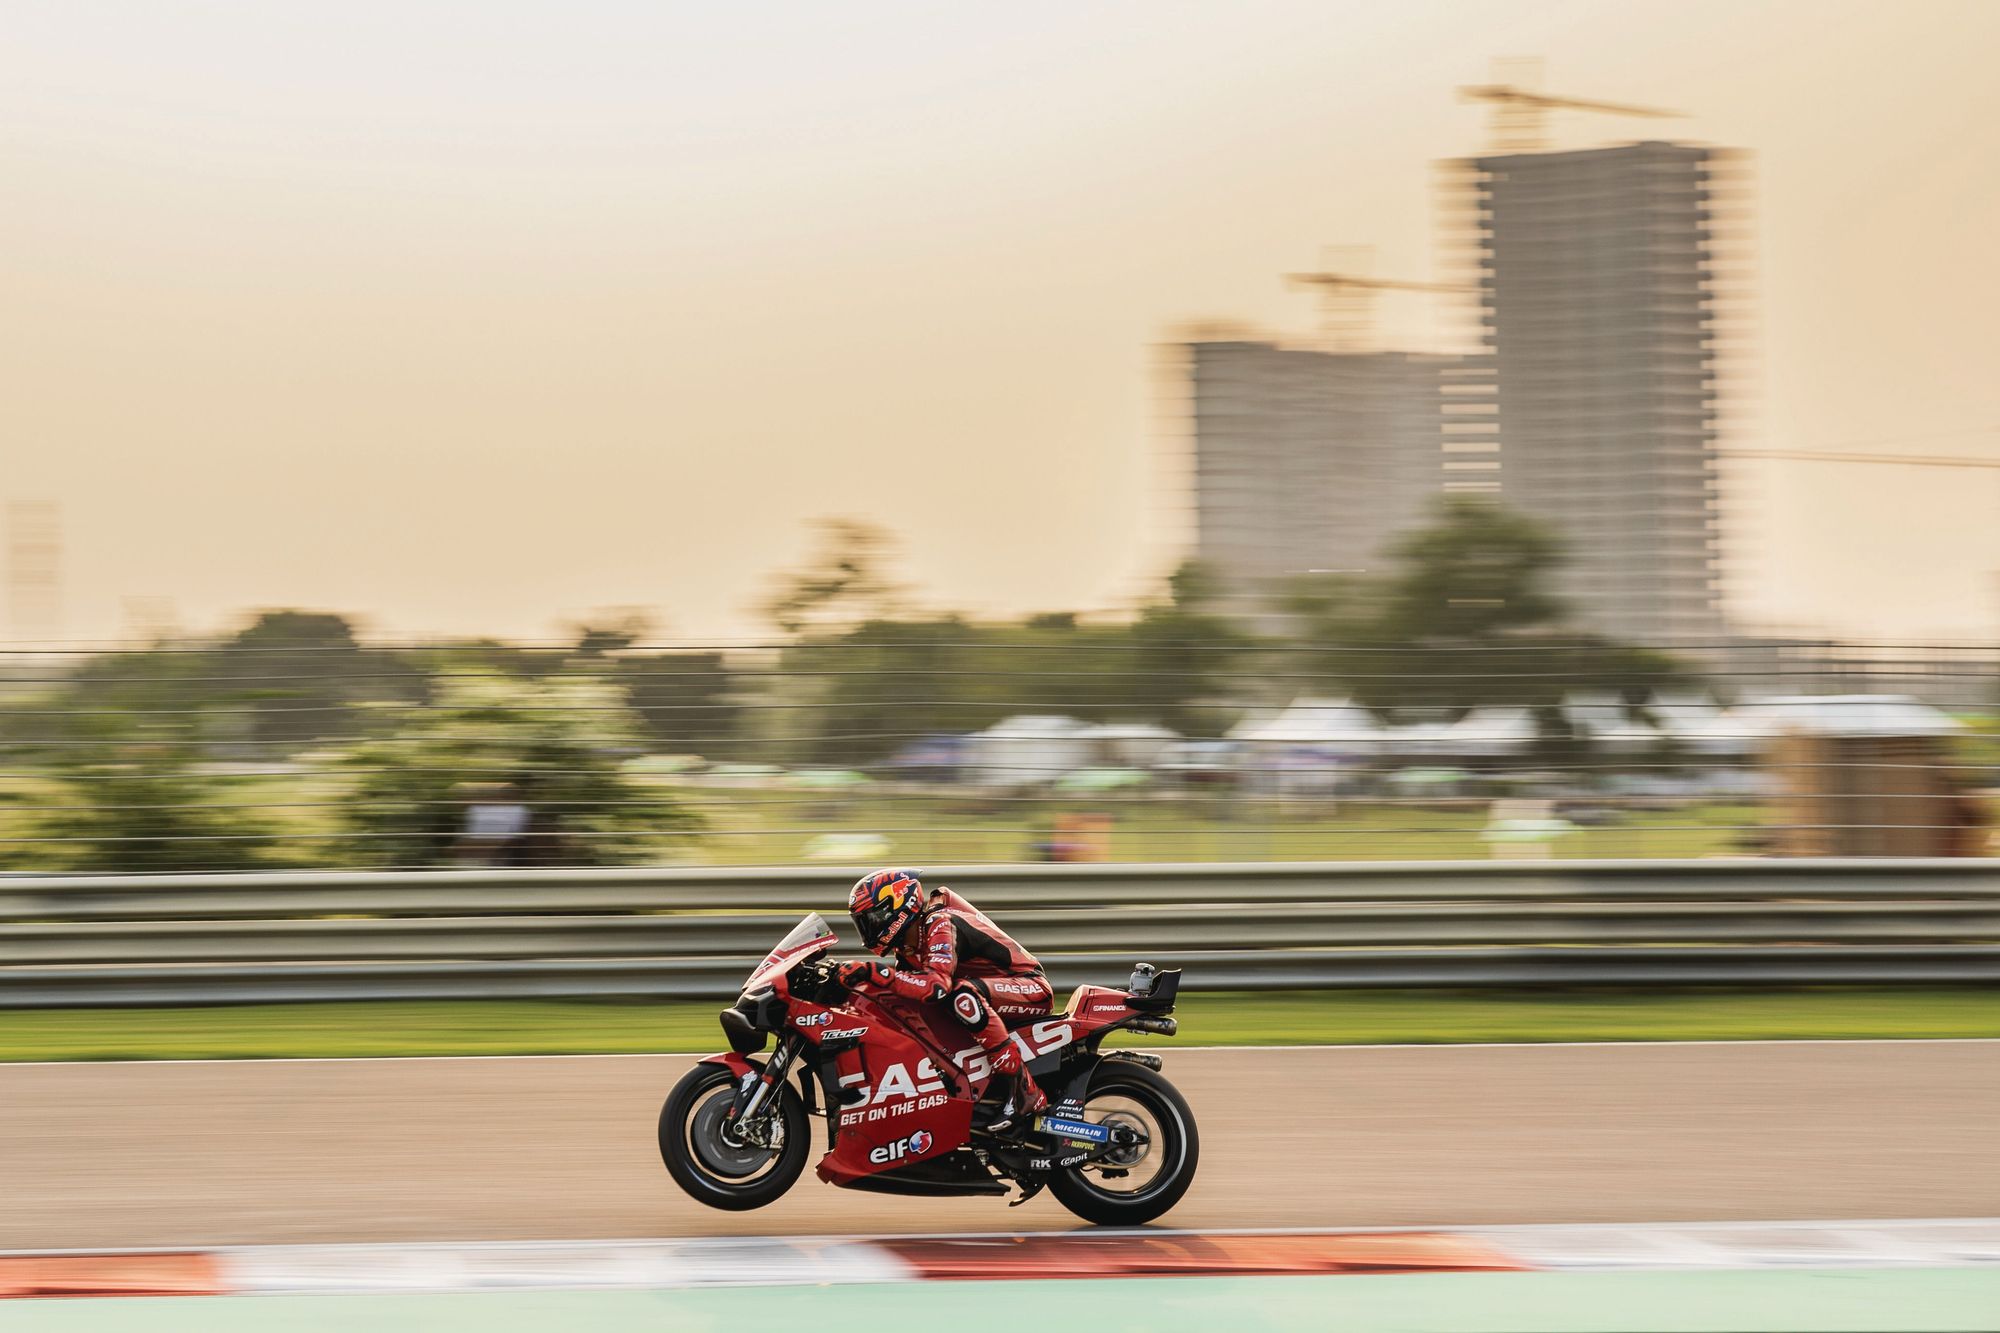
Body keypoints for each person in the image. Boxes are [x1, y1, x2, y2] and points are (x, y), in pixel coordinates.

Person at [838, 868, 1050, 1131]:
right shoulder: (907, 950)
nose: (869, 927)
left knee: (960, 996)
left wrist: (875, 972)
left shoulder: (940, 922)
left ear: (897, 905)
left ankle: (1025, 1092)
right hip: (988, 995)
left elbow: (937, 986)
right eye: (863, 921)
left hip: (1029, 987)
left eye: (873, 917)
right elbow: (909, 998)